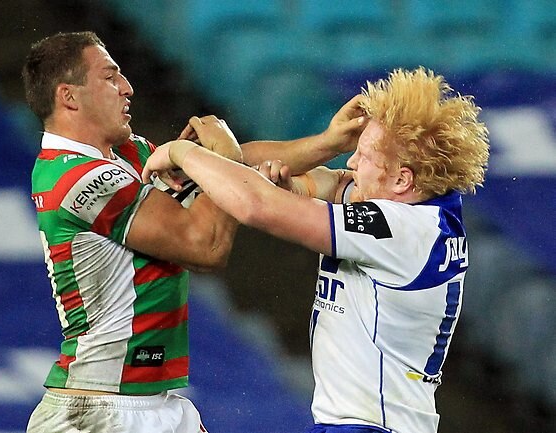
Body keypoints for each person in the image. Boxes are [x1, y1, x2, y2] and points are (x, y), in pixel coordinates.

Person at [142, 67, 490, 433]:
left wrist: (183, 152)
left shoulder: (397, 227)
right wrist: (324, 146)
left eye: (365, 156)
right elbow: (302, 180)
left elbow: (255, 206)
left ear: (403, 179)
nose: (352, 163)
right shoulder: (421, 211)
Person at [21, 31, 241, 433]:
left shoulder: (125, 153)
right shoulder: (77, 177)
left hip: (150, 403)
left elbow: (228, 168)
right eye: (110, 77)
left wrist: (324, 145)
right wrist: (227, 158)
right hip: (99, 411)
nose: (128, 88)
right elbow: (205, 244)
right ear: (69, 96)